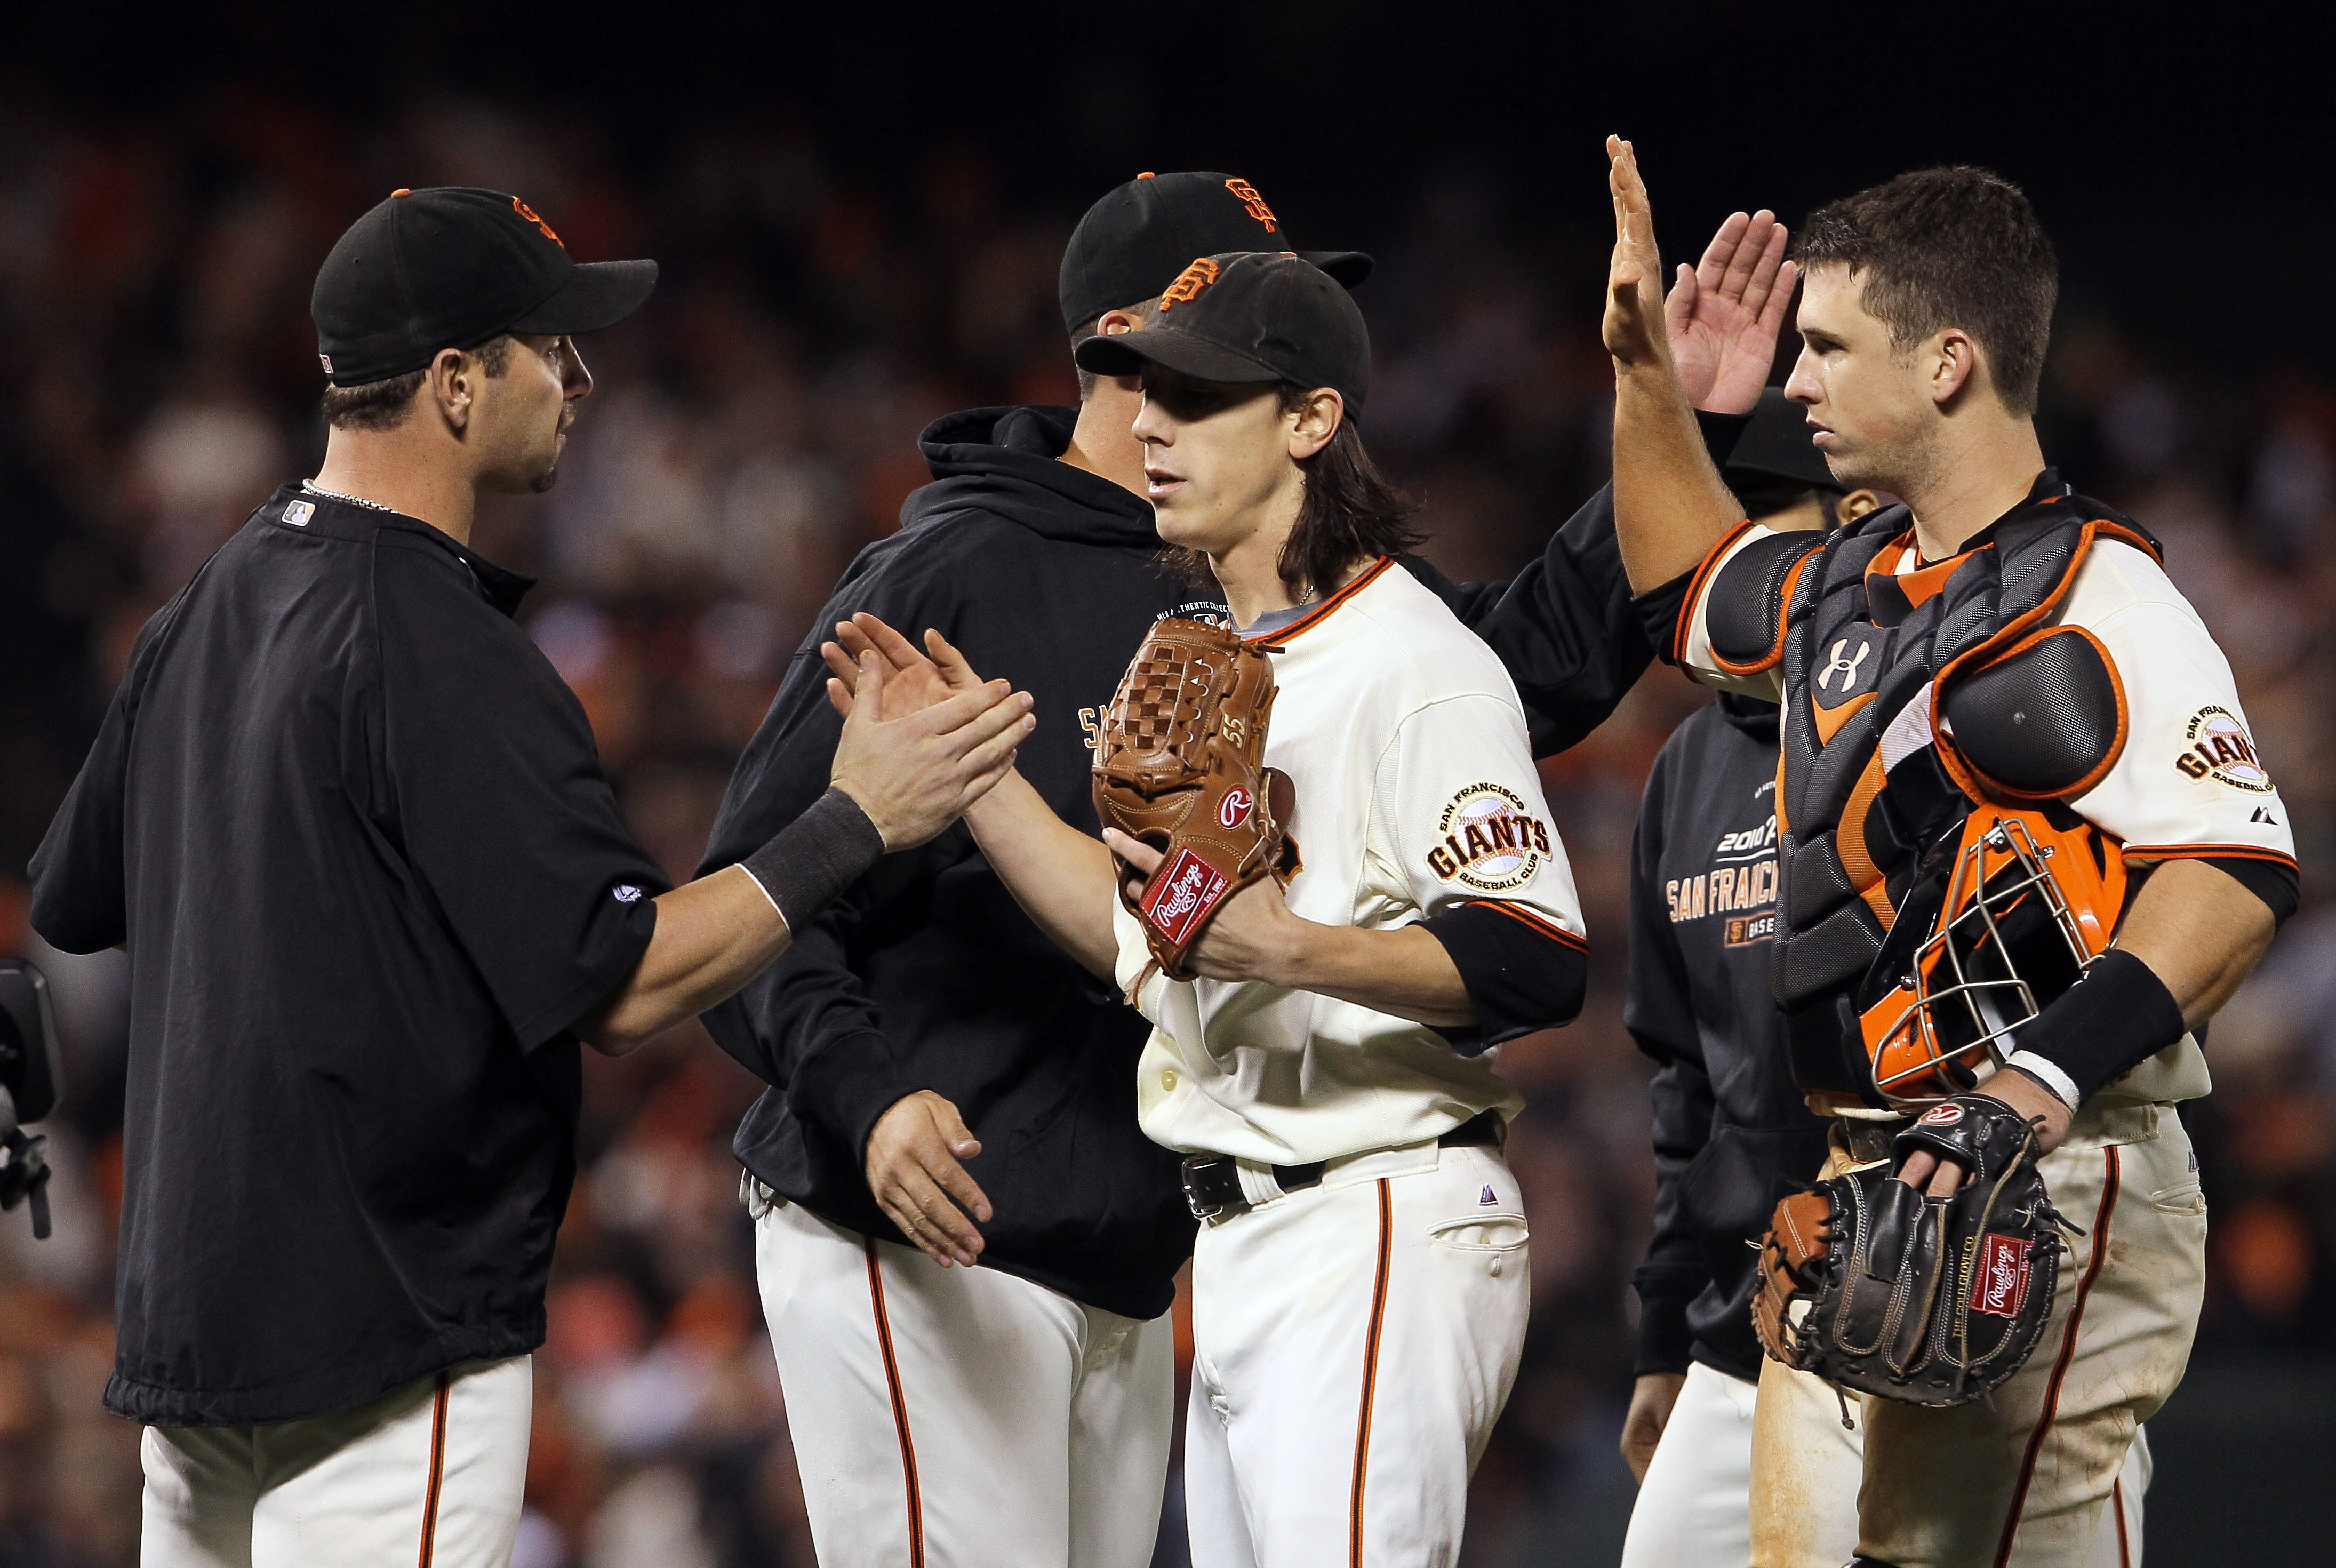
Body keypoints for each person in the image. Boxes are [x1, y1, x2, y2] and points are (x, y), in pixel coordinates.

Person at [25, 186, 1030, 1568]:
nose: (581, 375)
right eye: (544, 346)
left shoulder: (213, 600)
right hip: (384, 1351)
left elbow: (79, 898)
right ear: (453, 382)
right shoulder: (439, 640)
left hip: (190, 1344)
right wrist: (855, 816)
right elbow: (624, 983)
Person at [828, 249, 1590, 1566]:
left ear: (1311, 422)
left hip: (1375, 1215)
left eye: (1198, 398)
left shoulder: (1412, 659)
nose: (1151, 426)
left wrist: (1284, 944)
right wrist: (980, 778)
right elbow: (1151, 936)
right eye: (1145, 392)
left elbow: (1536, 954)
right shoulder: (1227, 663)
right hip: (1246, 1238)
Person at [1601, 139, 2295, 1567]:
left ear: (1947, 362)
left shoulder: (2101, 595)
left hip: (2048, 1167)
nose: (1794, 382)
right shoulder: (1852, 582)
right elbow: (1682, 582)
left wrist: (2036, 1080)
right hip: (1862, 1173)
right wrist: (1638, 379)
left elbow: (2232, 871)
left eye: (1827, 345)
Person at [695, 171, 1375, 1568]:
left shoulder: (1232, 584)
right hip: (922, 1229)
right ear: (1133, 352)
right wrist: (869, 1102)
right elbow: (754, 904)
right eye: (1256, 318)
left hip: (1117, 1256)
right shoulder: (952, 573)